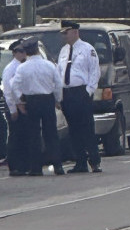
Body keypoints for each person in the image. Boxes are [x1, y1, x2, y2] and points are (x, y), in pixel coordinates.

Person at [9, 37, 63, 176]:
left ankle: (36, 168)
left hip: (31, 101)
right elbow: (58, 84)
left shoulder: (22, 67)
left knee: (33, 134)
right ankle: (57, 165)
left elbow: (14, 86)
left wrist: (20, 102)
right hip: (47, 99)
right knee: (51, 133)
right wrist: (58, 100)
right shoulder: (49, 65)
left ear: (26, 52)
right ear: (38, 50)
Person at [57, 20, 101, 174]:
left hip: (81, 92)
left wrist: (88, 91)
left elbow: (95, 72)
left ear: (75, 32)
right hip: (67, 93)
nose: (64, 36)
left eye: (66, 33)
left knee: (87, 129)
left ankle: (94, 162)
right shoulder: (63, 51)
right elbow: (59, 72)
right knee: (73, 130)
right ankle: (80, 162)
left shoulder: (87, 49)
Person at [3, 40, 28, 175]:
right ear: (14, 53)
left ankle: (23, 165)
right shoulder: (11, 68)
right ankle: (15, 166)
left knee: (23, 136)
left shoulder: (23, 66)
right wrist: (13, 109)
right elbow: (8, 91)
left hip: (22, 106)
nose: (23, 53)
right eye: (20, 51)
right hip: (15, 108)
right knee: (15, 137)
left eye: (24, 51)